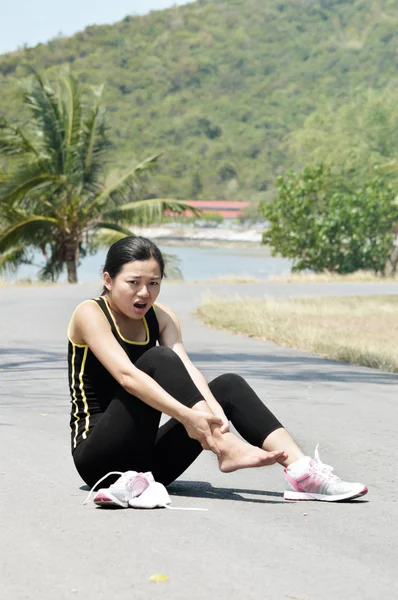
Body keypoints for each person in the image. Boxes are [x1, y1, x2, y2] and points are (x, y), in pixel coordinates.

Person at [68, 236, 368, 507]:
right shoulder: (90, 313)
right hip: (99, 459)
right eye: (133, 282)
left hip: (148, 465)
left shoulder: (161, 318)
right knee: (157, 358)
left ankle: (303, 473)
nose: (145, 293)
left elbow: (187, 370)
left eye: (154, 283)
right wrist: (189, 418)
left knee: (227, 386)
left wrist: (214, 416)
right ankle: (224, 447)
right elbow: (127, 377)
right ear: (108, 280)